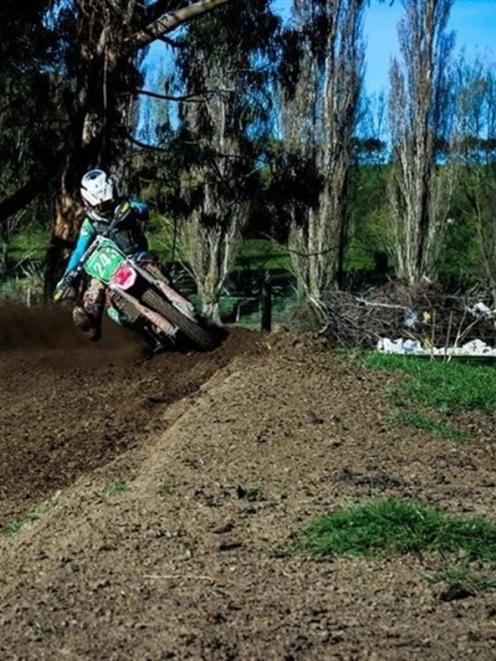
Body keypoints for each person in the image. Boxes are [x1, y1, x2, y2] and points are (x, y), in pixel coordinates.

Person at [55, 169, 153, 341]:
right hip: (111, 268)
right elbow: (79, 251)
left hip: (138, 255)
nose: (104, 207)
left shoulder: (124, 204)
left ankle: (175, 297)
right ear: (89, 202)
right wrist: (66, 279)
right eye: (100, 205)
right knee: (96, 288)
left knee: (154, 265)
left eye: (108, 202)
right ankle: (91, 321)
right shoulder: (89, 224)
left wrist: (133, 210)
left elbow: (144, 208)